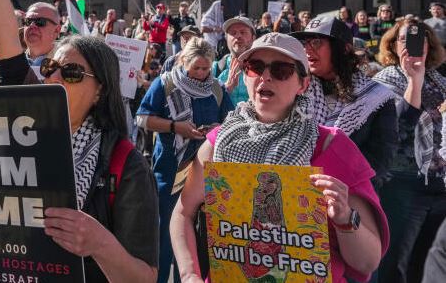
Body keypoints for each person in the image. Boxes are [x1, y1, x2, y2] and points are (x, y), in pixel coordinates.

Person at [0, 0, 159, 283]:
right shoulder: (27, 121)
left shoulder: (125, 164)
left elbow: (145, 277)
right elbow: (7, 44)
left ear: (101, 90)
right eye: (50, 70)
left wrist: (99, 244)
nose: (56, 78)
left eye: (72, 73)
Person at [170, 33, 389, 282]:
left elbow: (368, 261)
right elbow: (182, 214)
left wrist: (345, 218)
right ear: (245, 75)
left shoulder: (331, 145)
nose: (266, 77)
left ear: (303, 84)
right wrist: (189, 275)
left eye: (281, 70)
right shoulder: (217, 142)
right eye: (255, 67)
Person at [137, 38, 233, 283]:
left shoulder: (217, 88)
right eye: (196, 68)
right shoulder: (165, 84)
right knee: (167, 230)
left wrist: (215, 129)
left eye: (205, 68)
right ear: (183, 61)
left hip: (204, 170)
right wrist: (174, 126)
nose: (201, 73)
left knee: (197, 231)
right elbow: (143, 119)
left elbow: (231, 123)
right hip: (170, 168)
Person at [374, 17, 446, 283]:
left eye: (419, 39)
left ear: (429, 45)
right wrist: (413, 80)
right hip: (402, 184)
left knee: (428, 263)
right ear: (393, 45)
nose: (411, 45)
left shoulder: (439, 80)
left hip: (439, 183)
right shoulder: (385, 79)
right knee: (395, 265)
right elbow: (400, 126)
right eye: (404, 39)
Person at [292, 16, 398, 187]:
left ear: (344, 49)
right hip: (298, 192)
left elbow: (380, 159)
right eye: (305, 43)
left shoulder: (377, 96)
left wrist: (340, 188)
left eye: (317, 43)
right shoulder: (295, 89)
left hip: (351, 197)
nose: (308, 50)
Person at [212, 16, 255, 105]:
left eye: (243, 32)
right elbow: (206, 105)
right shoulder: (215, 68)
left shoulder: (263, 69)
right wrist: (226, 89)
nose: (238, 36)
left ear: (253, 37)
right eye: (233, 33)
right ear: (226, 38)